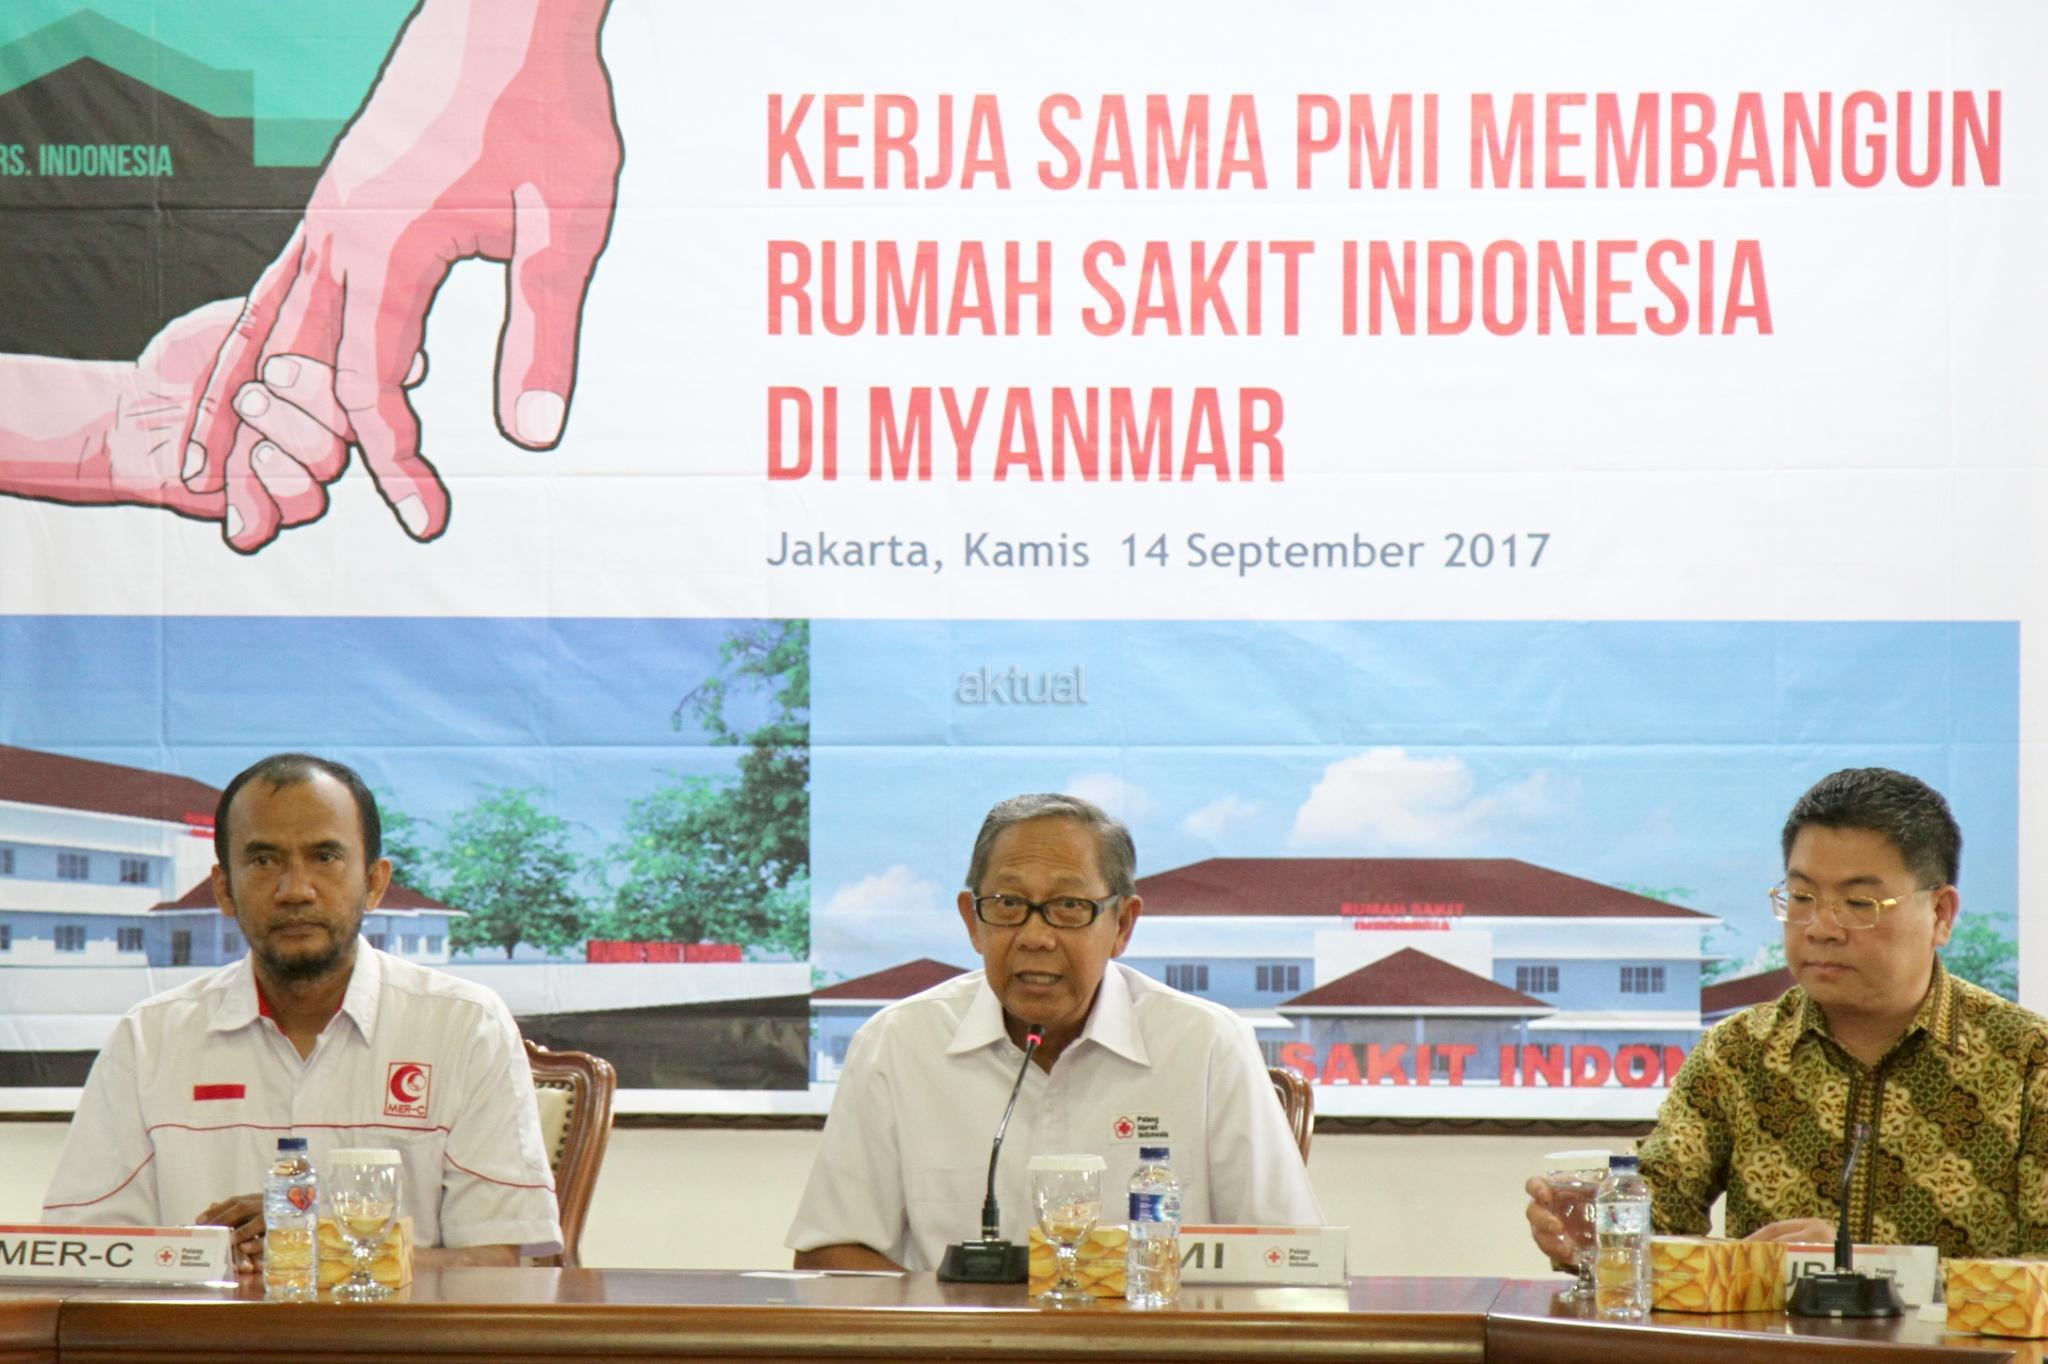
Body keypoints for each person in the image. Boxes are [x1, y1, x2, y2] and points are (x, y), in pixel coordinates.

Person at [42, 754, 562, 1272]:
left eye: (325, 857)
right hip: (204, 1327)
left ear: (375, 883)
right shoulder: (149, 1039)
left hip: (395, 1328)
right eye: (264, 861)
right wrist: (205, 1257)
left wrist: (316, 1247)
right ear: (224, 888)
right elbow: (82, 1254)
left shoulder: (464, 1026)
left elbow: (497, 1264)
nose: (295, 890)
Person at [1525, 767, 2048, 1263]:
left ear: (1940, 914)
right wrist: (1593, 1225)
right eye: (1801, 897)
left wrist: (1863, 1272)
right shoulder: (1739, 1051)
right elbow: (1659, 1209)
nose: (1820, 928)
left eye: (1858, 903)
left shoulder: (2029, 1061)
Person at [787, 792, 1323, 1271]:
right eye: (1008, 905)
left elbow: (1291, 1257)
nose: (1036, 936)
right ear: (972, 921)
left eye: (1069, 906)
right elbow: (829, 1255)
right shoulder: (898, 1044)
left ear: (1122, 925)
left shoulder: (1206, 1045)